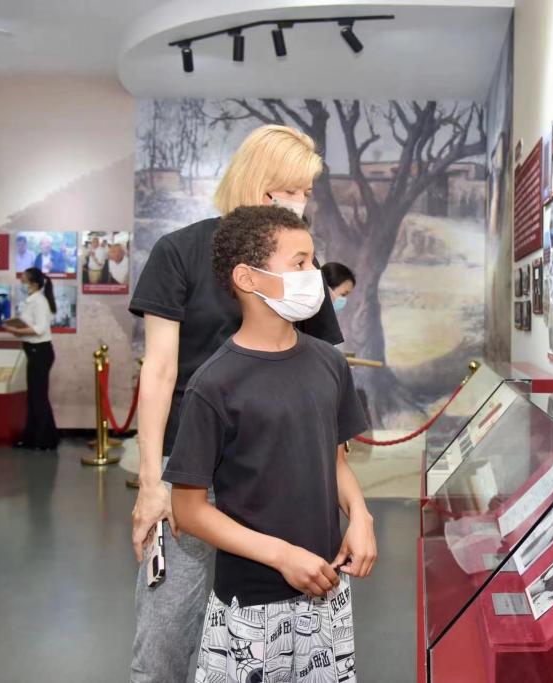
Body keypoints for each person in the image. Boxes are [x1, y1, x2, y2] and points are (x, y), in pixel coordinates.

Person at [128, 124, 345, 683]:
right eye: (291, 189)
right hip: (191, 469)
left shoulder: (299, 266)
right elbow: (159, 370)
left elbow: (323, 378)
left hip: (275, 470)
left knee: (278, 634)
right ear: (259, 182)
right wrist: (151, 483)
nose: (300, 202)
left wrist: (348, 500)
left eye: (305, 192)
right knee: (166, 632)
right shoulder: (178, 251)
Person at [167, 205, 374, 681]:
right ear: (248, 277)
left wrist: (361, 516)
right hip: (251, 606)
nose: (313, 275)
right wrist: (282, 555)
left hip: (325, 589)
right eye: (298, 263)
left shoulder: (329, 363)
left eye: (313, 261)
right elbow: (189, 509)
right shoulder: (213, 384)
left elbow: (335, 461)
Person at [6, 268, 60, 450]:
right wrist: (18, 330)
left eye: (24, 279)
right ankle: (34, 437)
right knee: (34, 396)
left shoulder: (39, 302)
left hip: (40, 352)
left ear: (33, 283)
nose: (21, 281)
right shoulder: (32, 301)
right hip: (33, 351)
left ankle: (44, 439)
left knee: (38, 397)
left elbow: (39, 329)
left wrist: (16, 330)